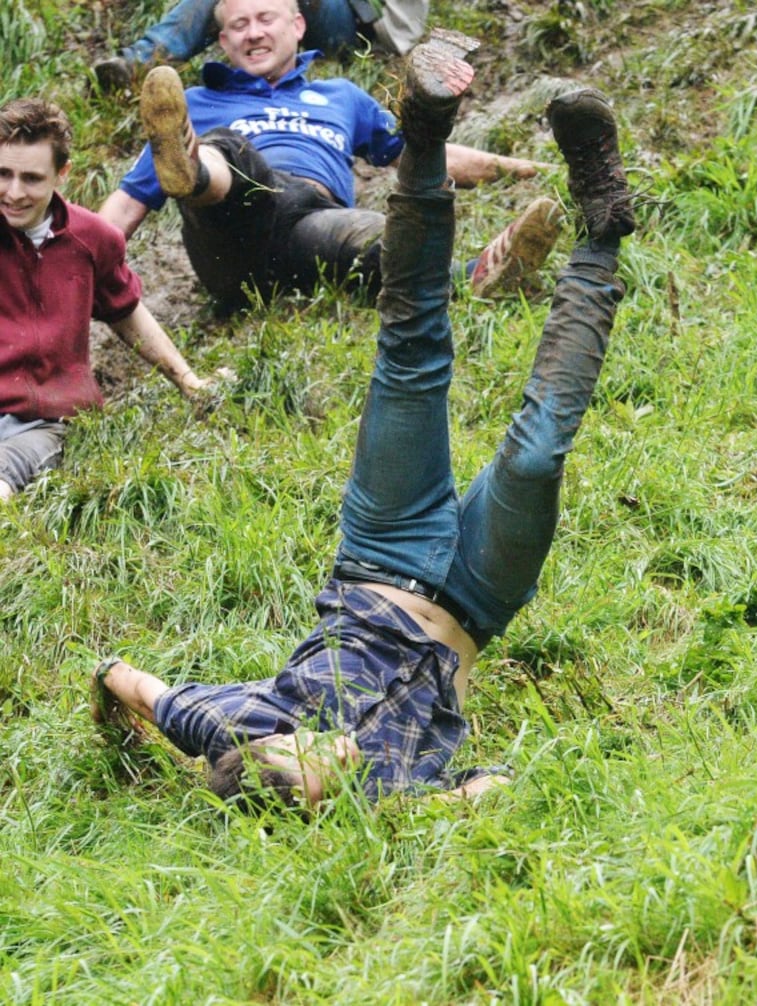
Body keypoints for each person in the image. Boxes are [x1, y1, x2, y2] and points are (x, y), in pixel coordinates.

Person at [90, 36, 635, 811]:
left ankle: (423, 135)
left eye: (301, 748)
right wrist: (459, 799)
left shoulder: (234, 723)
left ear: (269, 744)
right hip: (477, 600)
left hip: (381, 553)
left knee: (411, 350)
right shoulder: (391, 788)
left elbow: (126, 680)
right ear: (324, 808)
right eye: (328, 770)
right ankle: (604, 223)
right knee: (539, 453)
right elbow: (488, 791)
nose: (327, 746)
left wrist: (115, 722)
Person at [98, 0, 558, 313]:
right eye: (240, 26)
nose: (254, 34)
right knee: (230, 149)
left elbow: (425, 155)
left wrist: (524, 170)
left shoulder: (341, 96)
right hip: (228, 243)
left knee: (373, 233)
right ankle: (196, 173)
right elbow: (125, 205)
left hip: (309, 231)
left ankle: (477, 275)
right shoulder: (193, 102)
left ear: (298, 25)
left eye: (266, 19)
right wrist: (75, 266)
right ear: (222, 41)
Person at [0, 97, 218, 502]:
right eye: (3, 174)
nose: (13, 192)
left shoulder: (93, 239)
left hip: (47, 420)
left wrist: (189, 382)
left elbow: (127, 314)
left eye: (31, 178)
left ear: (61, 174)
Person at [94, 0, 429, 92]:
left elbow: (402, 30)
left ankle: (143, 59)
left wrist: (384, 47)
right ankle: (135, 66)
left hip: (346, 28)